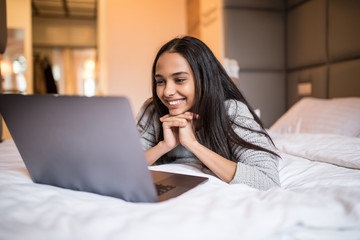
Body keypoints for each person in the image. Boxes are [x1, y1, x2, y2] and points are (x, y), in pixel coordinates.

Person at [137, 36, 280, 190]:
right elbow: (123, 166)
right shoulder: (153, 109)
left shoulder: (231, 110)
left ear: (205, 80)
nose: (167, 92)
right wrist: (164, 146)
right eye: (160, 81)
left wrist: (193, 144)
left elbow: (268, 181)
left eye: (179, 80)